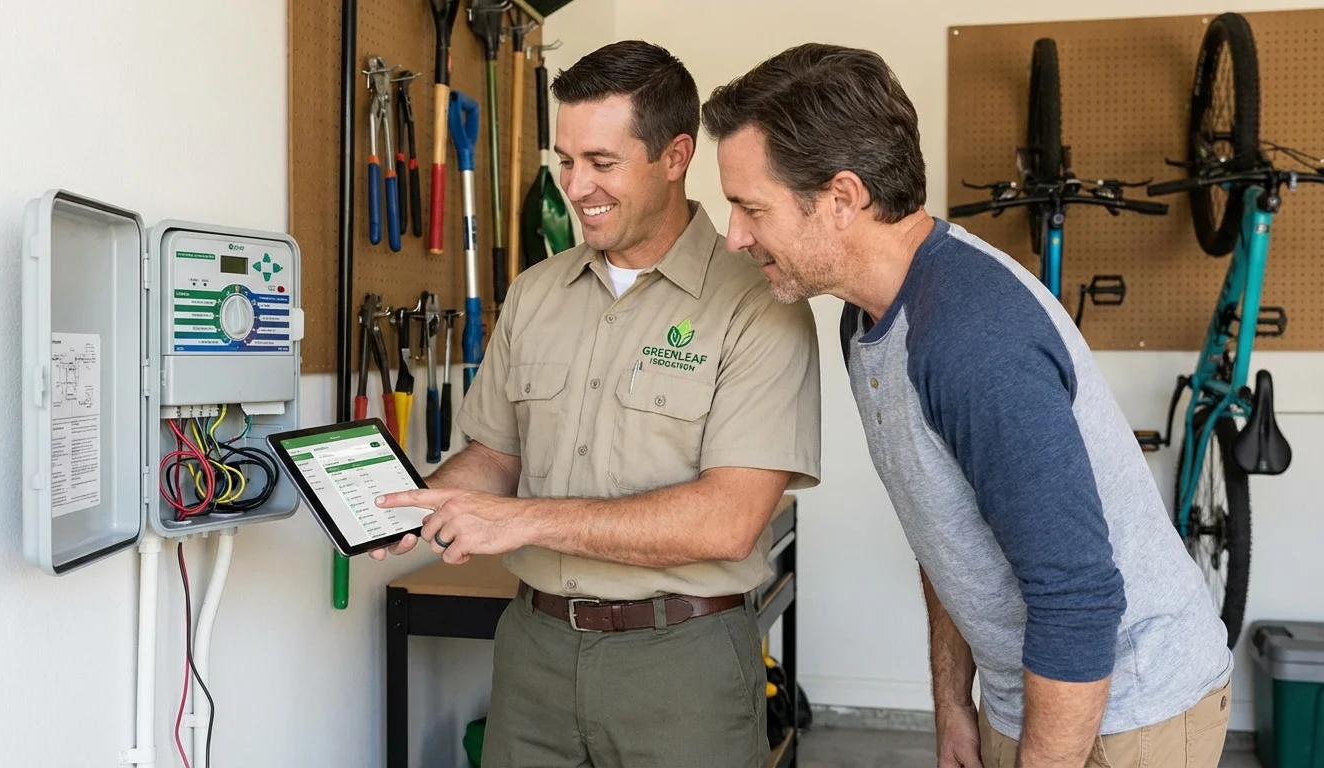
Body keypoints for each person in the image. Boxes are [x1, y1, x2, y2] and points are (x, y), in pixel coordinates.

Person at [701, 43, 1234, 768]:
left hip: (1128, 713)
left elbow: (1078, 598)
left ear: (842, 199)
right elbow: (944, 530)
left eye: (751, 207)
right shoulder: (868, 319)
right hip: (1028, 699)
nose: (735, 235)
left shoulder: (973, 340)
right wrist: (955, 704)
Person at [372, 40, 821, 768]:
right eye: (566, 161)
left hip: (681, 666)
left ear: (675, 156)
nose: (577, 188)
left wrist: (518, 520)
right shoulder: (535, 292)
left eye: (602, 162)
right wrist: (419, 502)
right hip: (534, 653)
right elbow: (495, 456)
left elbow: (729, 520)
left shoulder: (758, 302)